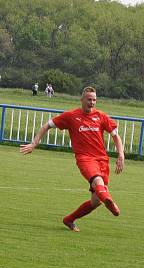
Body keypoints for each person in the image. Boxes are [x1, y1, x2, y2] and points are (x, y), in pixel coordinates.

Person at [20, 86, 124, 231]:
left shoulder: (101, 116)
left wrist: (121, 154)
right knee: (97, 182)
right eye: (89, 99)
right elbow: (47, 126)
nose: (92, 102)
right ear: (82, 100)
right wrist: (34, 143)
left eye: (94, 100)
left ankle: (69, 219)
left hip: (102, 160)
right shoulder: (71, 116)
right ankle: (109, 200)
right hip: (85, 159)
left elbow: (115, 136)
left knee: (96, 201)